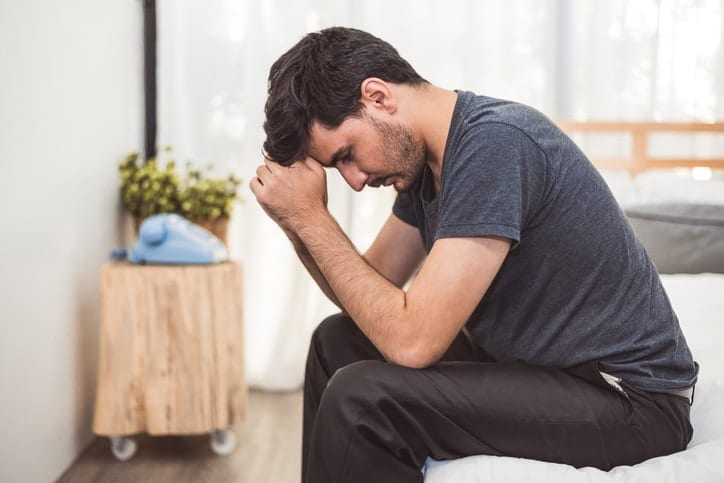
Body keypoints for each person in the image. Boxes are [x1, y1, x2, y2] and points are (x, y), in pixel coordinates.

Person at [250, 26, 698, 483]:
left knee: (362, 397)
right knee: (336, 342)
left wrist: (311, 219)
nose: (355, 180)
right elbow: (368, 287)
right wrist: (296, 220)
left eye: (347, 153)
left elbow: (412, 344)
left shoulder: (495, 144)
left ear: (378, 97)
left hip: (629, 400)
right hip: (539, 369)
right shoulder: (425, 166)